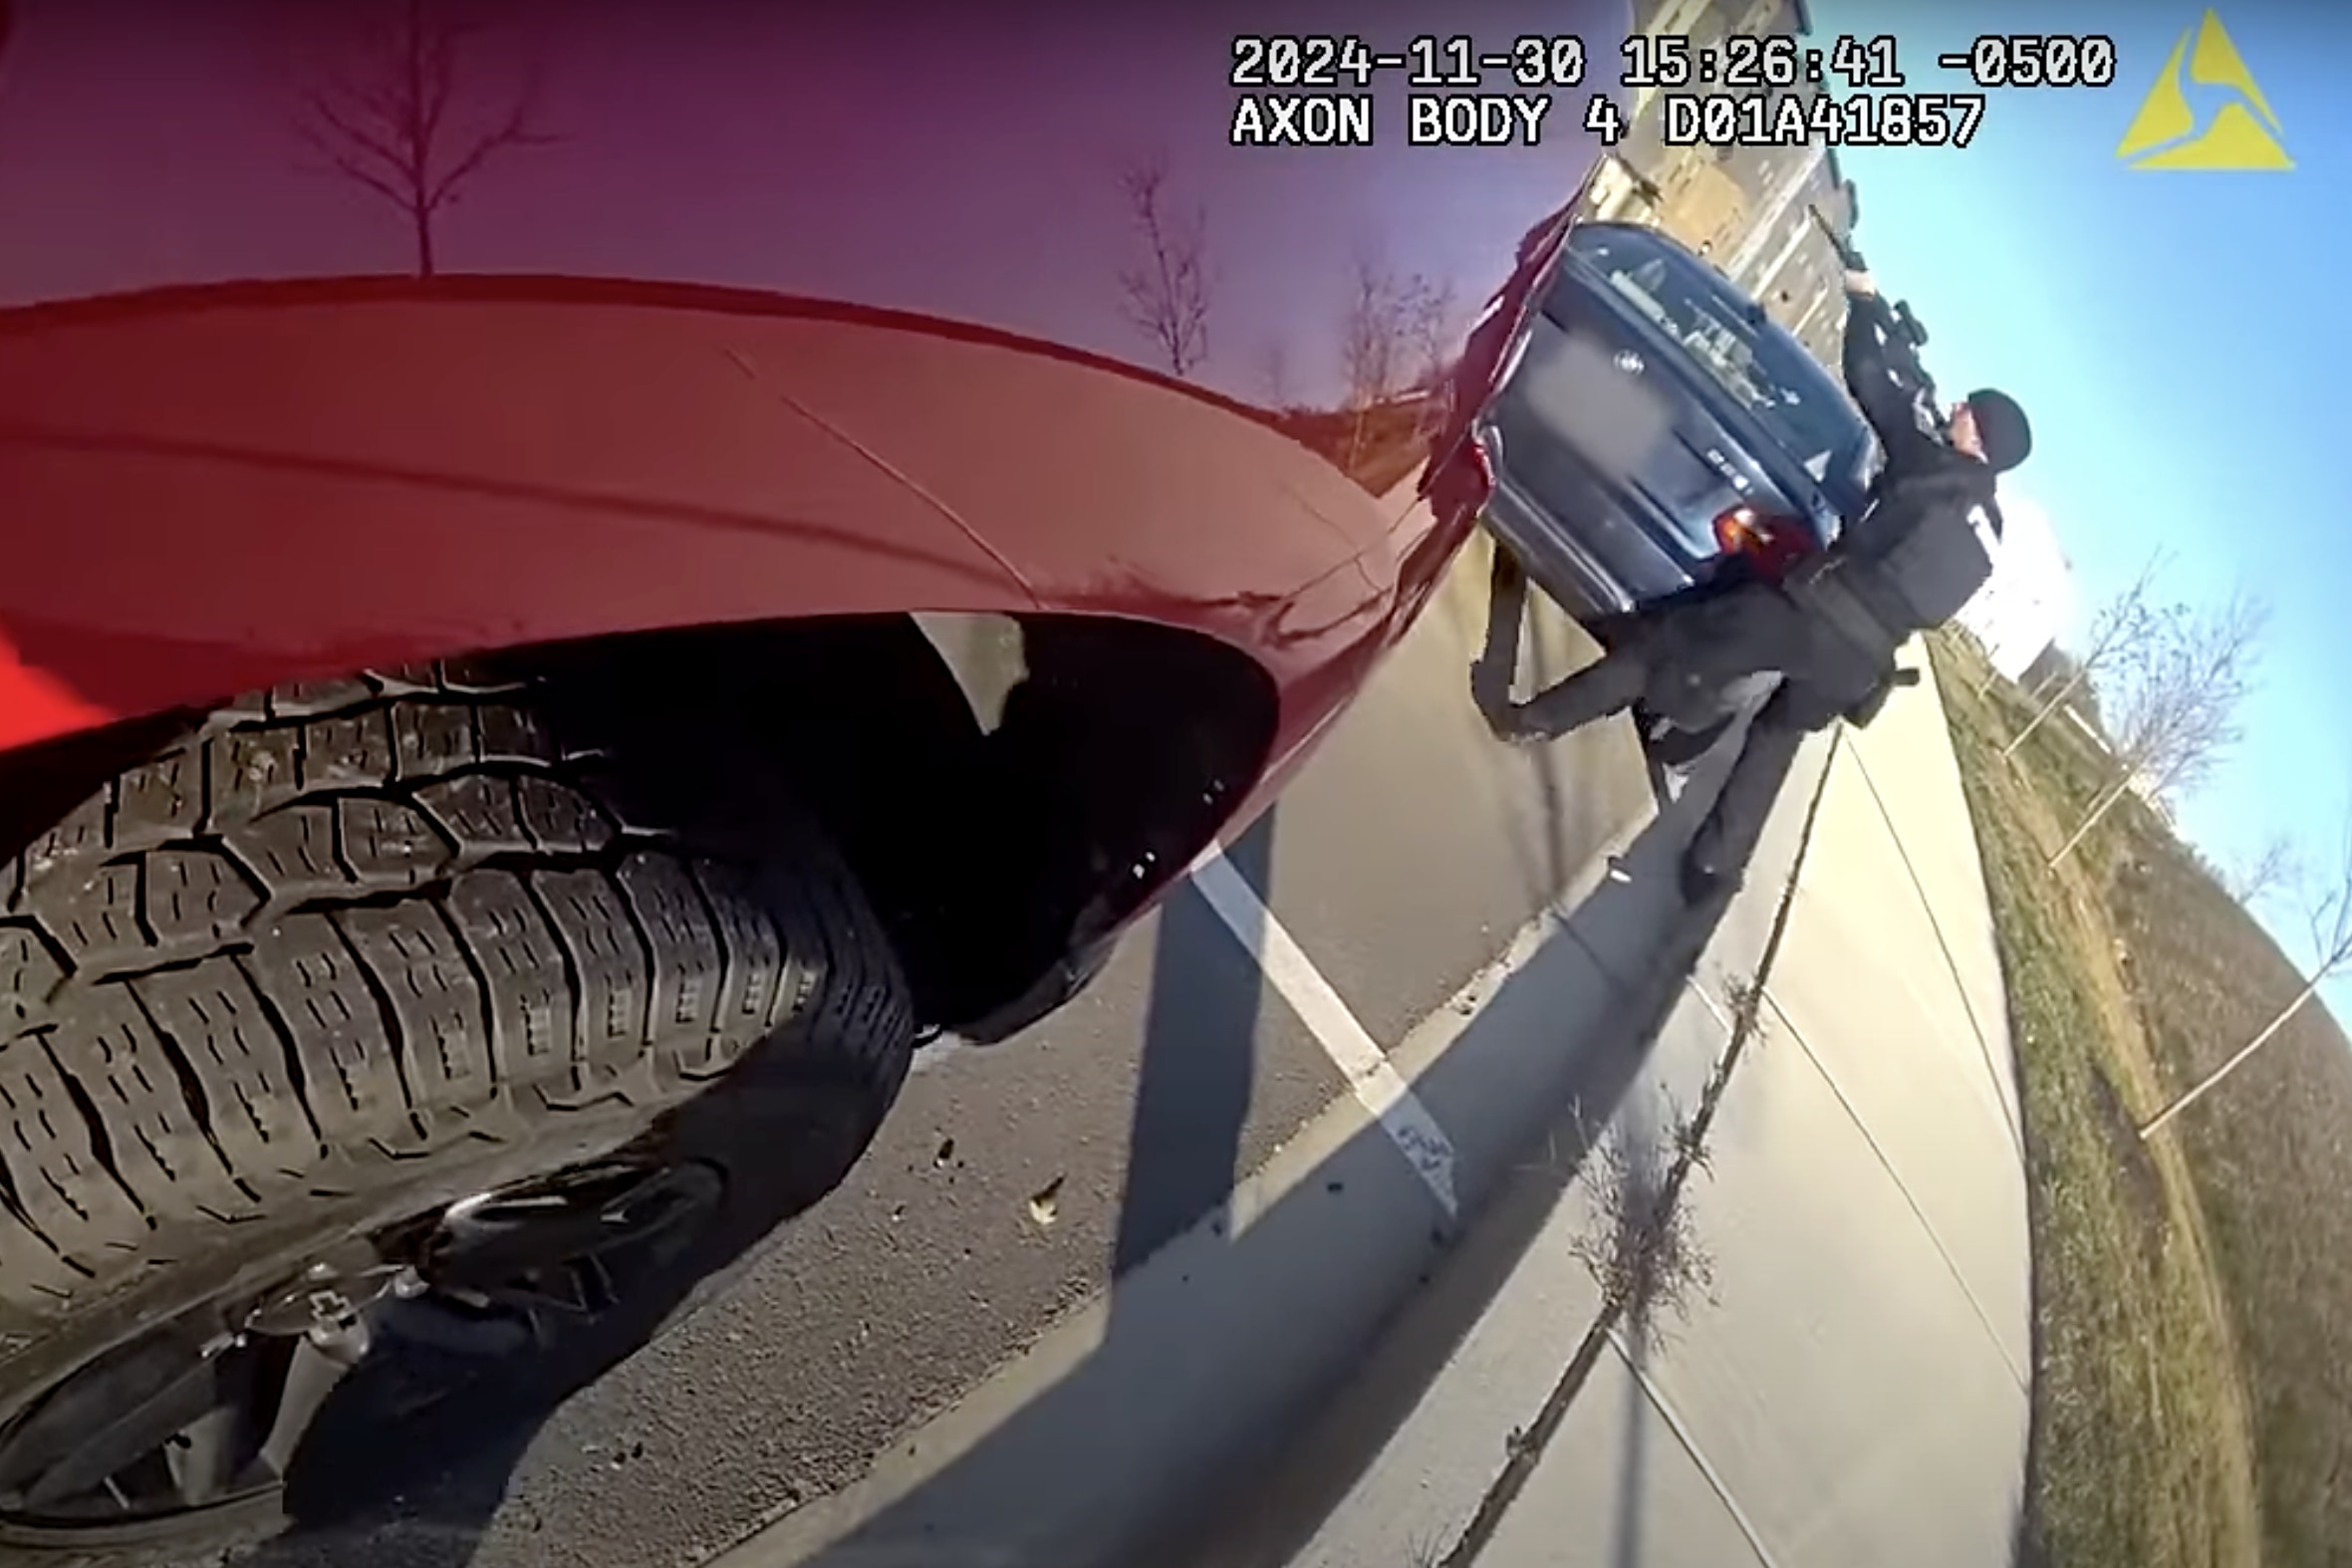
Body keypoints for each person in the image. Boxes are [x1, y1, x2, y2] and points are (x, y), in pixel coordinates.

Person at [1470, 266, 2033, 901]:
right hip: (1863, 662)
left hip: (1815, 612)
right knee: (1774, 741)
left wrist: (1862, 301)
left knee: (1665, 646)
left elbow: (1869, 379)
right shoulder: (1988, 529)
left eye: (1967, 410)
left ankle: (1530, 721)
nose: (1956, 410)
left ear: (1980, 437)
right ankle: (1712, 872)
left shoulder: (1933, 466)